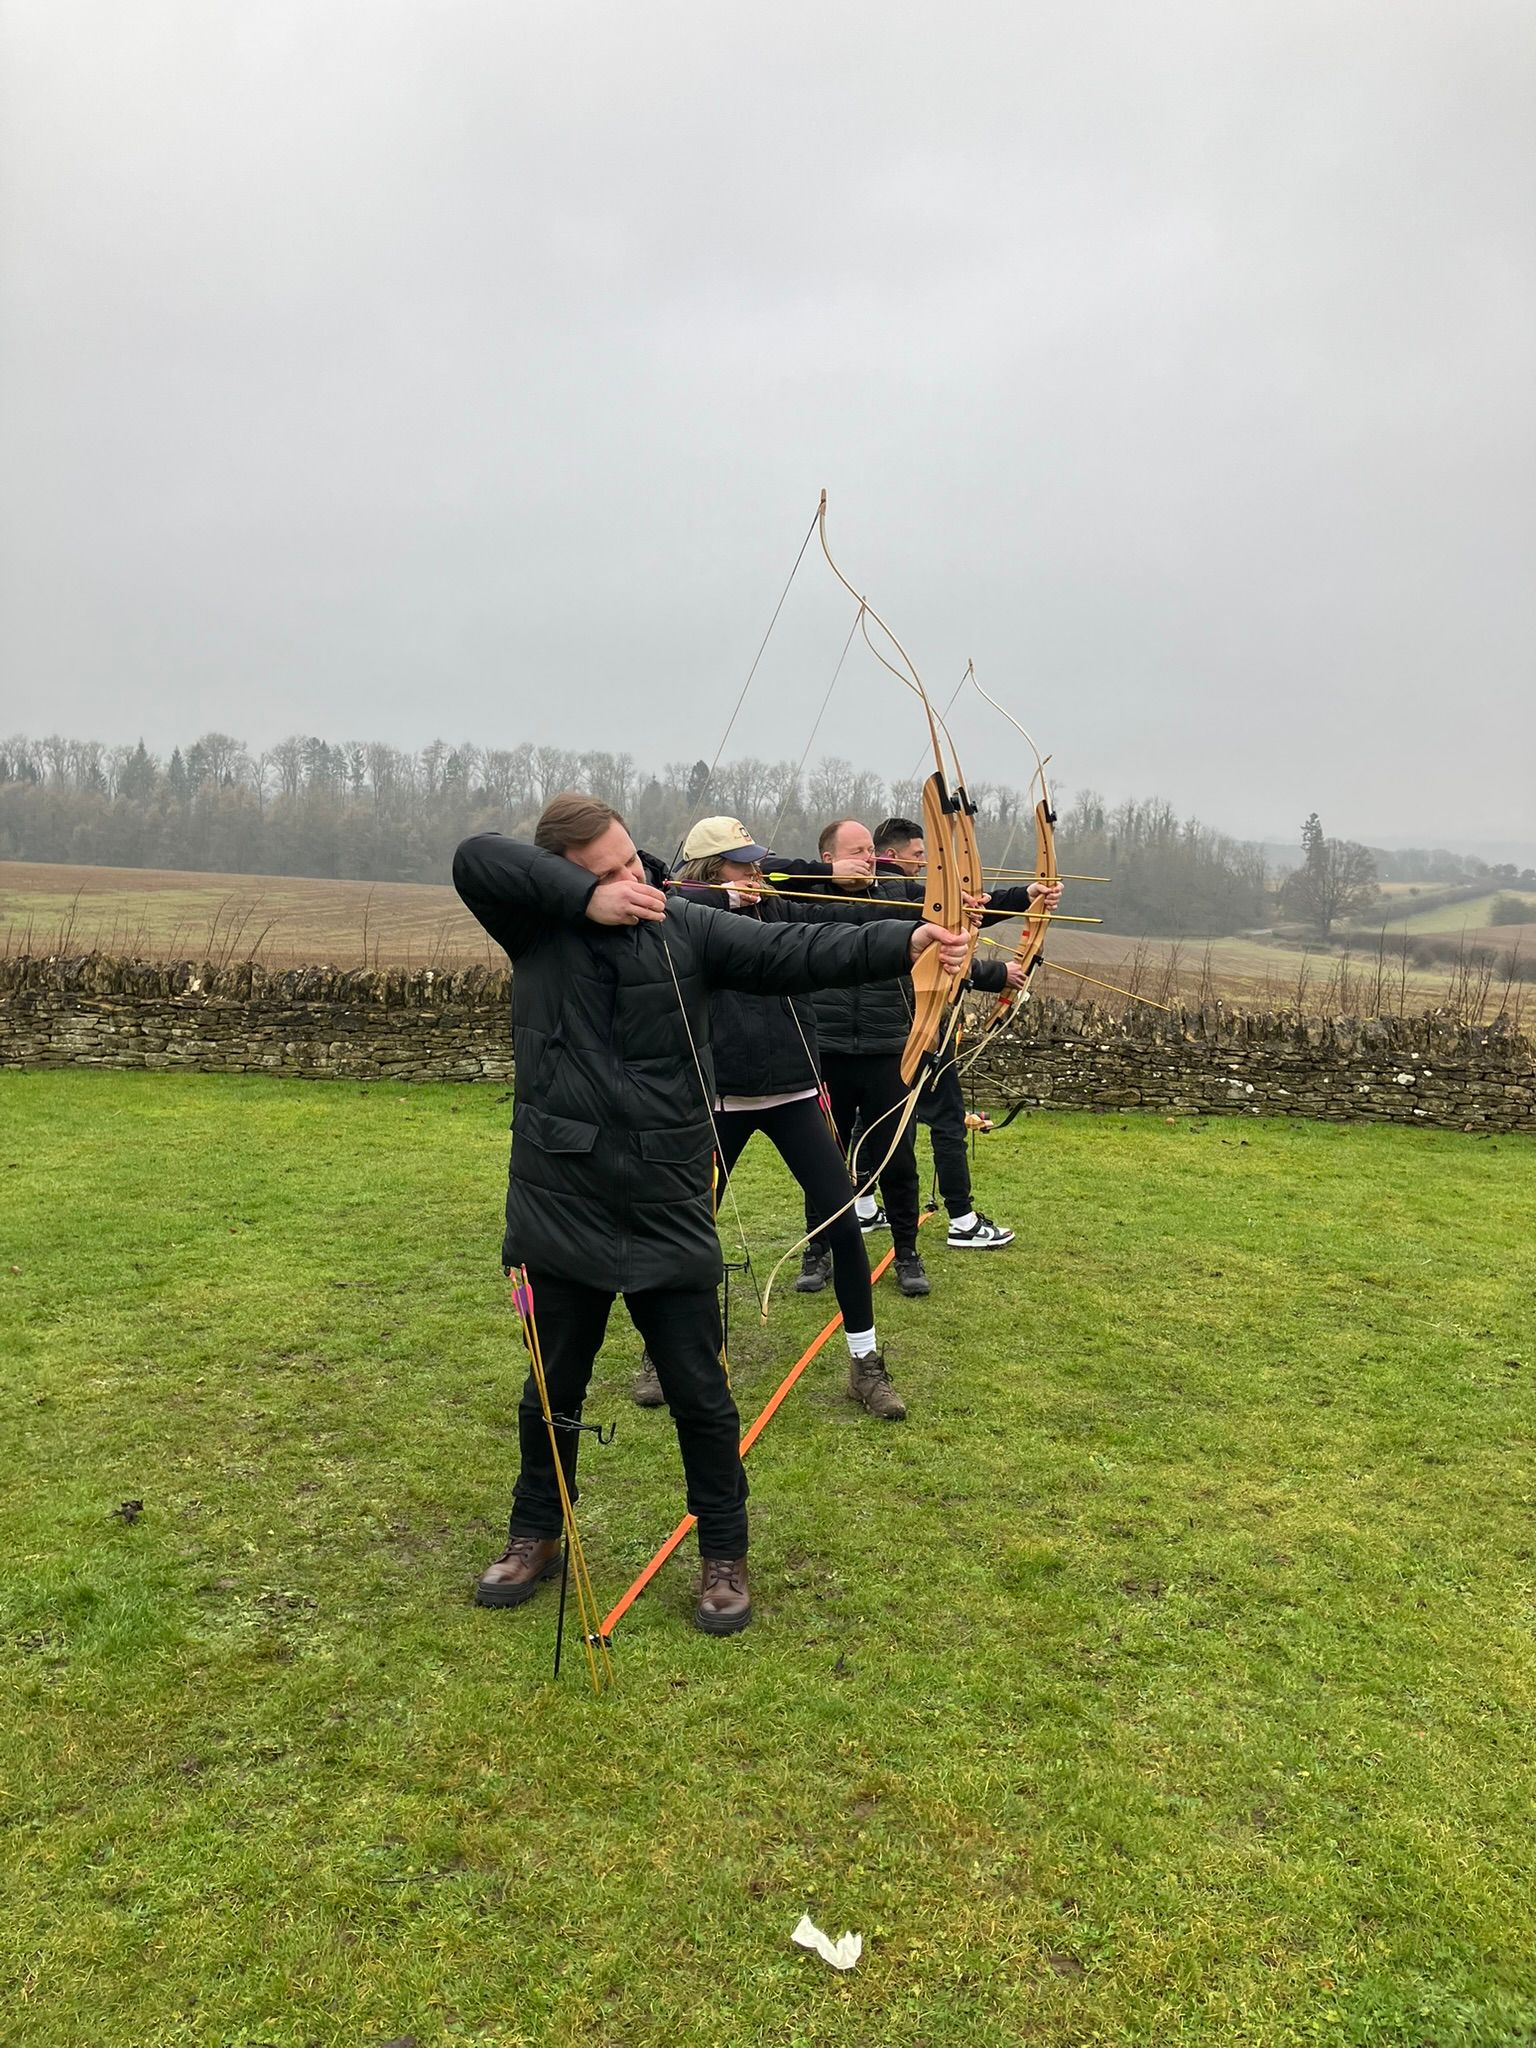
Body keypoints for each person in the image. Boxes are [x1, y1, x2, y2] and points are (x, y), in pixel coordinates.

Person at [452, 793, 968, 1637]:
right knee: (551, 1386)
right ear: (561, 877)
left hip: (666, 1196)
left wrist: (905, 939)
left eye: (633, 860)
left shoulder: (682, 925)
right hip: (561, 1198)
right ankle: (535, 1532)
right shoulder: (536, 930)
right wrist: (587, 901)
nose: (633, 878)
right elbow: (476, 856)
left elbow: (794, 950)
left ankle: (723, 1553)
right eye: (608, 872)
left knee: (701, 1391)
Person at [631, 814, 907, 1421]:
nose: (757, 873)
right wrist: (716, 901)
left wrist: (961, 919)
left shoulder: (777, 911)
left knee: (842, 1225)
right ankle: (659, 1353)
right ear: (709, 870)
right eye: (742, 865)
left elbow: (856, 924)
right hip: (719, 1099)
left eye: (758, 863)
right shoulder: (681, 922)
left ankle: (865, 1363)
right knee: (685, 1229)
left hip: (793, 1094)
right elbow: (658, 889)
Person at [864, 815, 1062, 1248]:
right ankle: (962, 1219)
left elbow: (961, 914)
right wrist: (998, 971)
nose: (924, 863)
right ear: (892, 855)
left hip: (889, 1031)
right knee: (946, 1120)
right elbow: (950, 931)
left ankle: (862, 1207)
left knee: (874, 1119)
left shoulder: (868, 895)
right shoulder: (899, 894)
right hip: (917, 1028)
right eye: (920, 855)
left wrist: (1027, 895)